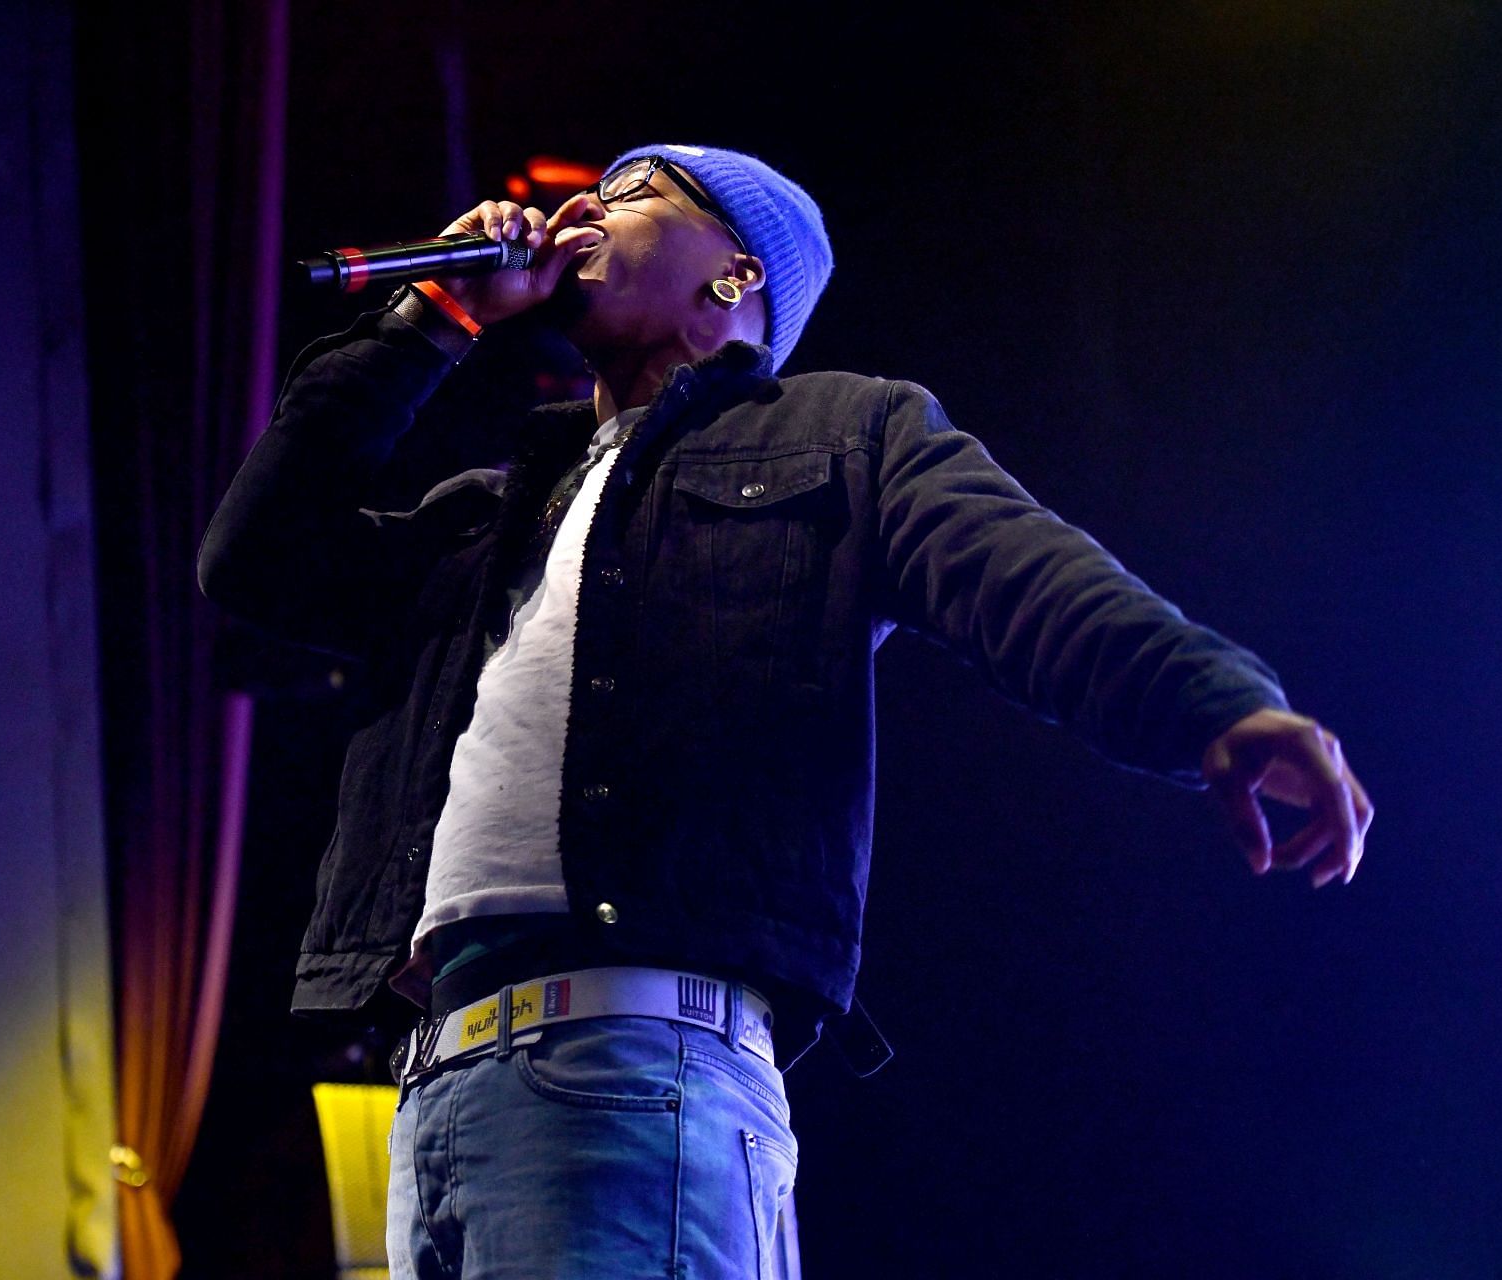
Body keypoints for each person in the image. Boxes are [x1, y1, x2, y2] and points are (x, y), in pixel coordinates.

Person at [199, 143, 1374, 1279]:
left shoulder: (838, 436)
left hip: (631, 1066)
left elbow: (1016, 569)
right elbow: (256, 560)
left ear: (737, 271)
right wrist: (429, 322)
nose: (582, 211)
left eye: (634, 192)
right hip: (440, 1088)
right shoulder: (491, 517)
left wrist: (1213, 703)